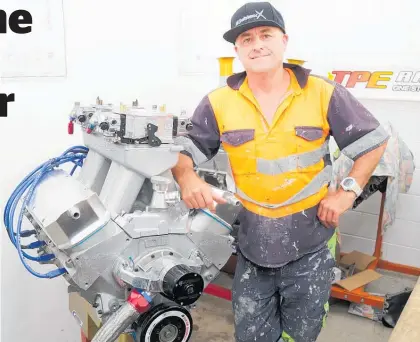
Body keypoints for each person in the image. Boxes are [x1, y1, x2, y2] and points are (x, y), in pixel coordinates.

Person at [171, 2, 389, 341]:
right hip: (252, 246)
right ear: (237, 50)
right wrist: (187, 177)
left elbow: (374, 141)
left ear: (284, 41)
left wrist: (347, 190)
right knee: (252, 335)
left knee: (302, 335)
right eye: (247, 38)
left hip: (311, 244)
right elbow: (183, 154)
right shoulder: (219, 102)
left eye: (265, 34)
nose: (257, 44)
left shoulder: (322, 92)